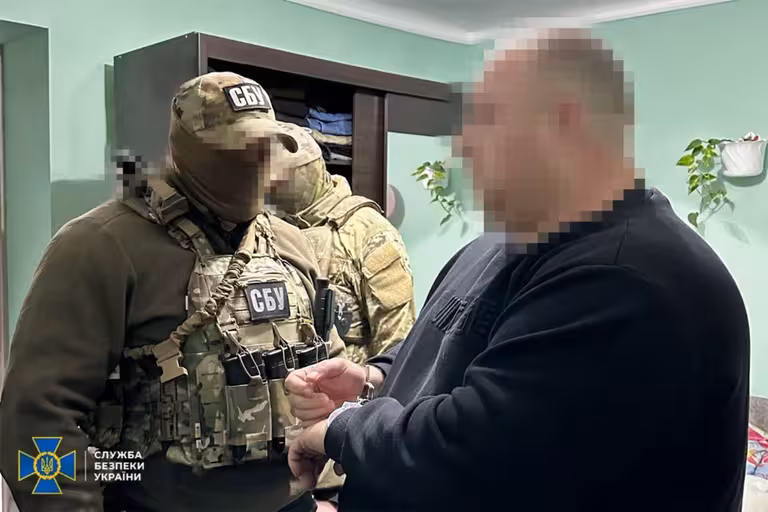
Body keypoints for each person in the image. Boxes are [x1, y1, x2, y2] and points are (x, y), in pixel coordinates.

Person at [282, 29, 751, 511]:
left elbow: (475, 451)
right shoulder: (504, 244)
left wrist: (340, 429)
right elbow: (460, 340)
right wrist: (372, 378)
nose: (462, 148)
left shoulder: (625, 279)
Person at [0, 72, 345, 512]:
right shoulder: (100, 246)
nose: (256, 163)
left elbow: (327, 372)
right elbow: (35, 416)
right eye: (237, 149)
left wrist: (326, 494)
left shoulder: (292, 243)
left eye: (266, 148)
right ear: (185, 151)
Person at [267, 122, 415, 366]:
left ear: (307, 171)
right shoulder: (269, 229)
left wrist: (372, 383)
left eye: (278, 181)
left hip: (350, 382)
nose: (270, 189)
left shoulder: (368, 232)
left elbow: (396, 343)